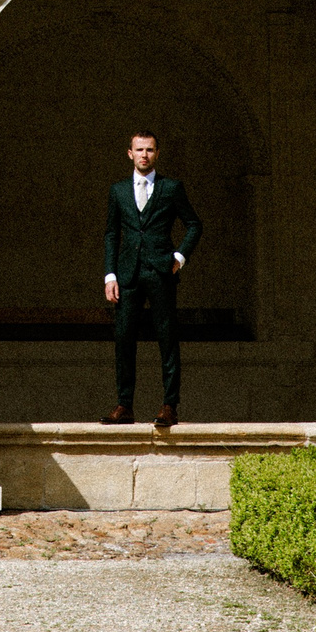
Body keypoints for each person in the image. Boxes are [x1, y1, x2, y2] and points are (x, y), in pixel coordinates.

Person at [102, 132, 202, 429]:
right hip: (128, 273)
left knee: (167, 337)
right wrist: (110, 275)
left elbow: (194, 224)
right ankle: (124, 405)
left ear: (157, 153)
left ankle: (170, 405)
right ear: (129, 153)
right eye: (139, 149)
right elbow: (112, 234)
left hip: (160, 271)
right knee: (124, 338)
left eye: (149, 149)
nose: (144, 155)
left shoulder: (171, 188)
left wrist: (179, 257)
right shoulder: (118, 190)